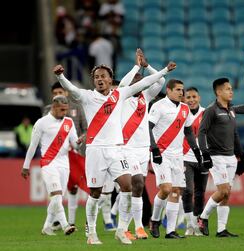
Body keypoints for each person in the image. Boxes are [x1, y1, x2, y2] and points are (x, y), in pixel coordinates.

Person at [53, 56, 176, 245]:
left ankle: (121, 230)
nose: (100, 79)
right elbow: (71, 89)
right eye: (96, 77)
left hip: (117, 150)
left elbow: (144, 82)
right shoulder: (87, 96)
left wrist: (164, 71)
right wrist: (61, 77)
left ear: (111, 80)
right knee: (95, 193)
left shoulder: (119, 95)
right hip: (95, 151)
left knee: (127, 186)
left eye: (103, 76)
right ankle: (92, 234)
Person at [113, 49, 166, 239]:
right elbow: (123, 84)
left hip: (143, 148)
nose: (137, 82)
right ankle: (135, 226)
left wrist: (147, 67)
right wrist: (136, 66)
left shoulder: (146, 97)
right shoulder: (122, 96)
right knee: (136, 182)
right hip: (125, 147)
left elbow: (160, 81)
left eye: (139, 79)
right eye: (134, 79)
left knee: (139, 187)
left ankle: (131, 227)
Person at [148, 79, 202, 239]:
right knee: (165, 189)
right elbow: (148, 128)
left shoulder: (185, 108)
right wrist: (154, 149)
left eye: (182, 90)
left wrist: (197, 152)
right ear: (169, 90)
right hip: (161, 153)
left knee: (176, 191)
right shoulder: (158, 106)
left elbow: (189, 133)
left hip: (178, 155)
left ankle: (170, 231)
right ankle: (155, 220)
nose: (181, 93)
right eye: (178, 89)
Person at [197, 78, 244, 238]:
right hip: (216, 156)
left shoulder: (231, 110)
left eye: (231, 88)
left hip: (231, 157)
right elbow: (201, 132)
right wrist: (205, 154)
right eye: (227, 89)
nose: (231, 91)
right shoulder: (211, 110)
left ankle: (221, 230)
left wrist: (242, 156)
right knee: (223, 190)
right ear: (218, 92)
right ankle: (202, 217)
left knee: (227, 194)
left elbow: (235, 134)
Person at [21, 95, 78, 236]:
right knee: (56, 195)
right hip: (48, 163)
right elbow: (33, 146)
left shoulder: (69, 122)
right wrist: (26, 166)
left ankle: (46, 227)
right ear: (54, 107)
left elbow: (75, 143)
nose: (64, 113)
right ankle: (66, 225)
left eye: (66, 110)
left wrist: (79, 142)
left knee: (57, 199)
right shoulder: (41, 123)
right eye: (62, 110)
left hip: (64, 164)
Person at [43, 81, 88, 230]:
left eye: (60, 92)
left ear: (66, 93)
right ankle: (57, 221)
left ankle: (70, 221)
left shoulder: (76, 108)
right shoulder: (47, 111)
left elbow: (85, 129)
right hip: (55, 157)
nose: (58, 95)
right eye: (55, 93)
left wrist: (77, 142)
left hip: (75, 154)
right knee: (57, 190)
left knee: (73, 188)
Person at [181, 87, 208, 236]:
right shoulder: (181, 112)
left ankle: (198, 224)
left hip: (203, 158)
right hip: (185, 157)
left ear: (199, 98)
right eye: (188, 97)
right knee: (188, 190)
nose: (191, 100)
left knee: (200, 193)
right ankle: (189, 225)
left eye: (194, 97)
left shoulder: (206, 113)